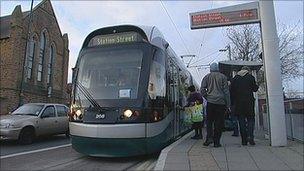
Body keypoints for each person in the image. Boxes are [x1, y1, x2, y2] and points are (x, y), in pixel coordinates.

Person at [201, 63, 230, 147]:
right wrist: (228, 104)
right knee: (219, 122)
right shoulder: (223, 77)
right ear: (218, 68)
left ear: (210, 69)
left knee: (209, 121)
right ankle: (216, 142)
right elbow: (226, 92)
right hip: (221, 103)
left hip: (210, 102)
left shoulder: (207, 77)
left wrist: (207, 97)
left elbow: (202, 89)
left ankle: (209, 138)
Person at [230, 66, 259, 145]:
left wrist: (232, 103)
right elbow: (255, 89)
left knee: (241, 121)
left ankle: (244, 140)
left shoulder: (235, 79)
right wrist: (257, 85)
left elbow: (231, 91)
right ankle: (250, 136)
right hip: (249, 102)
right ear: (248, 71)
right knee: (250, 120)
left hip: (238, 103)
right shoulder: (250, 77)